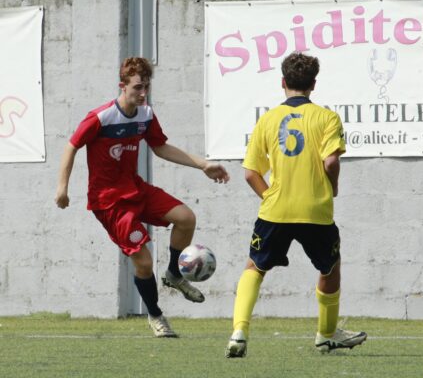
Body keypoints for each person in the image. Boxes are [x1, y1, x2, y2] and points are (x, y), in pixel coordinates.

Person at [55, 57, 229, 338]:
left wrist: (203, 164)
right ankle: (156, 315)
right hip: (109, 202)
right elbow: (71, 146)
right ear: (122, 86)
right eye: (137, 87)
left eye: (146, 86)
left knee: (186, 218)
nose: (143, 93)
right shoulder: (100, 117)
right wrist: (62, 188)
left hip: (136, 189)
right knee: (144, 263)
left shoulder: (145, 114)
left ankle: (174, 274)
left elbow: (160, 147)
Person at [225, 52, 367, 358]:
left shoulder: (267, 119)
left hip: (275, 210)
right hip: (316, 210)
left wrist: (271, 197)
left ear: (282, 82)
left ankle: (239, 331)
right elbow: (331, 161)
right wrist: (334, 185)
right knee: (330, 268)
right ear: (313, 84)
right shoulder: (326, 118)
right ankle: (326, 335)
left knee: (255, 267)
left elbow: (250, 173)